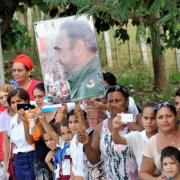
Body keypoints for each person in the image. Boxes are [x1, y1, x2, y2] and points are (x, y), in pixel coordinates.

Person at [78, 85, 139, 179]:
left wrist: (121, 115)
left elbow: (143, 135)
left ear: (127, 102)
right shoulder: (101, 127)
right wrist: (86, 144)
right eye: (110, 101)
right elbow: (94, 160)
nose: (114, 104)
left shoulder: (137, 120)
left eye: (118, 101)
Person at [54, 18, 105, 101]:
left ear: (78, 48)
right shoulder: (82, 79)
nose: (56, 59)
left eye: (59, 50)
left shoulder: (92, 85)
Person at [139, 102, 180, 179]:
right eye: (160, 117)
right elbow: (143, 173)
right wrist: (156, 179)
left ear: (176, 117)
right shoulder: (152, 142)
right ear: (156, 120)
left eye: (169, 116)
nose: (165, 120)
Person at [112, 103, 158, 169]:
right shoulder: (137, 136)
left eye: (153, 118)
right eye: (146, 118)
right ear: (142, 119)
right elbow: (117, 140)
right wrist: (115, 129)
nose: (149, 121)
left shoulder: (164, 136)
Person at [7, 88, 35, 179]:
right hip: (18, 160)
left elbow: (30, 141)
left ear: (26, 101)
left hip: (31, 156)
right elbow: (14, 143)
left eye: (18, 101)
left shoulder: (32, 115)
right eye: (13, 102)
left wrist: (25, 122)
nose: (15, 105)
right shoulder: (13, 120)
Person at [0, 84, 15, 180]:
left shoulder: (21, 111)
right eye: (1, 98)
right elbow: (5, 142)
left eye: (6, 96)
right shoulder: (2, 117)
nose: (4, 99)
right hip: (13, 156)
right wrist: (6, 166)